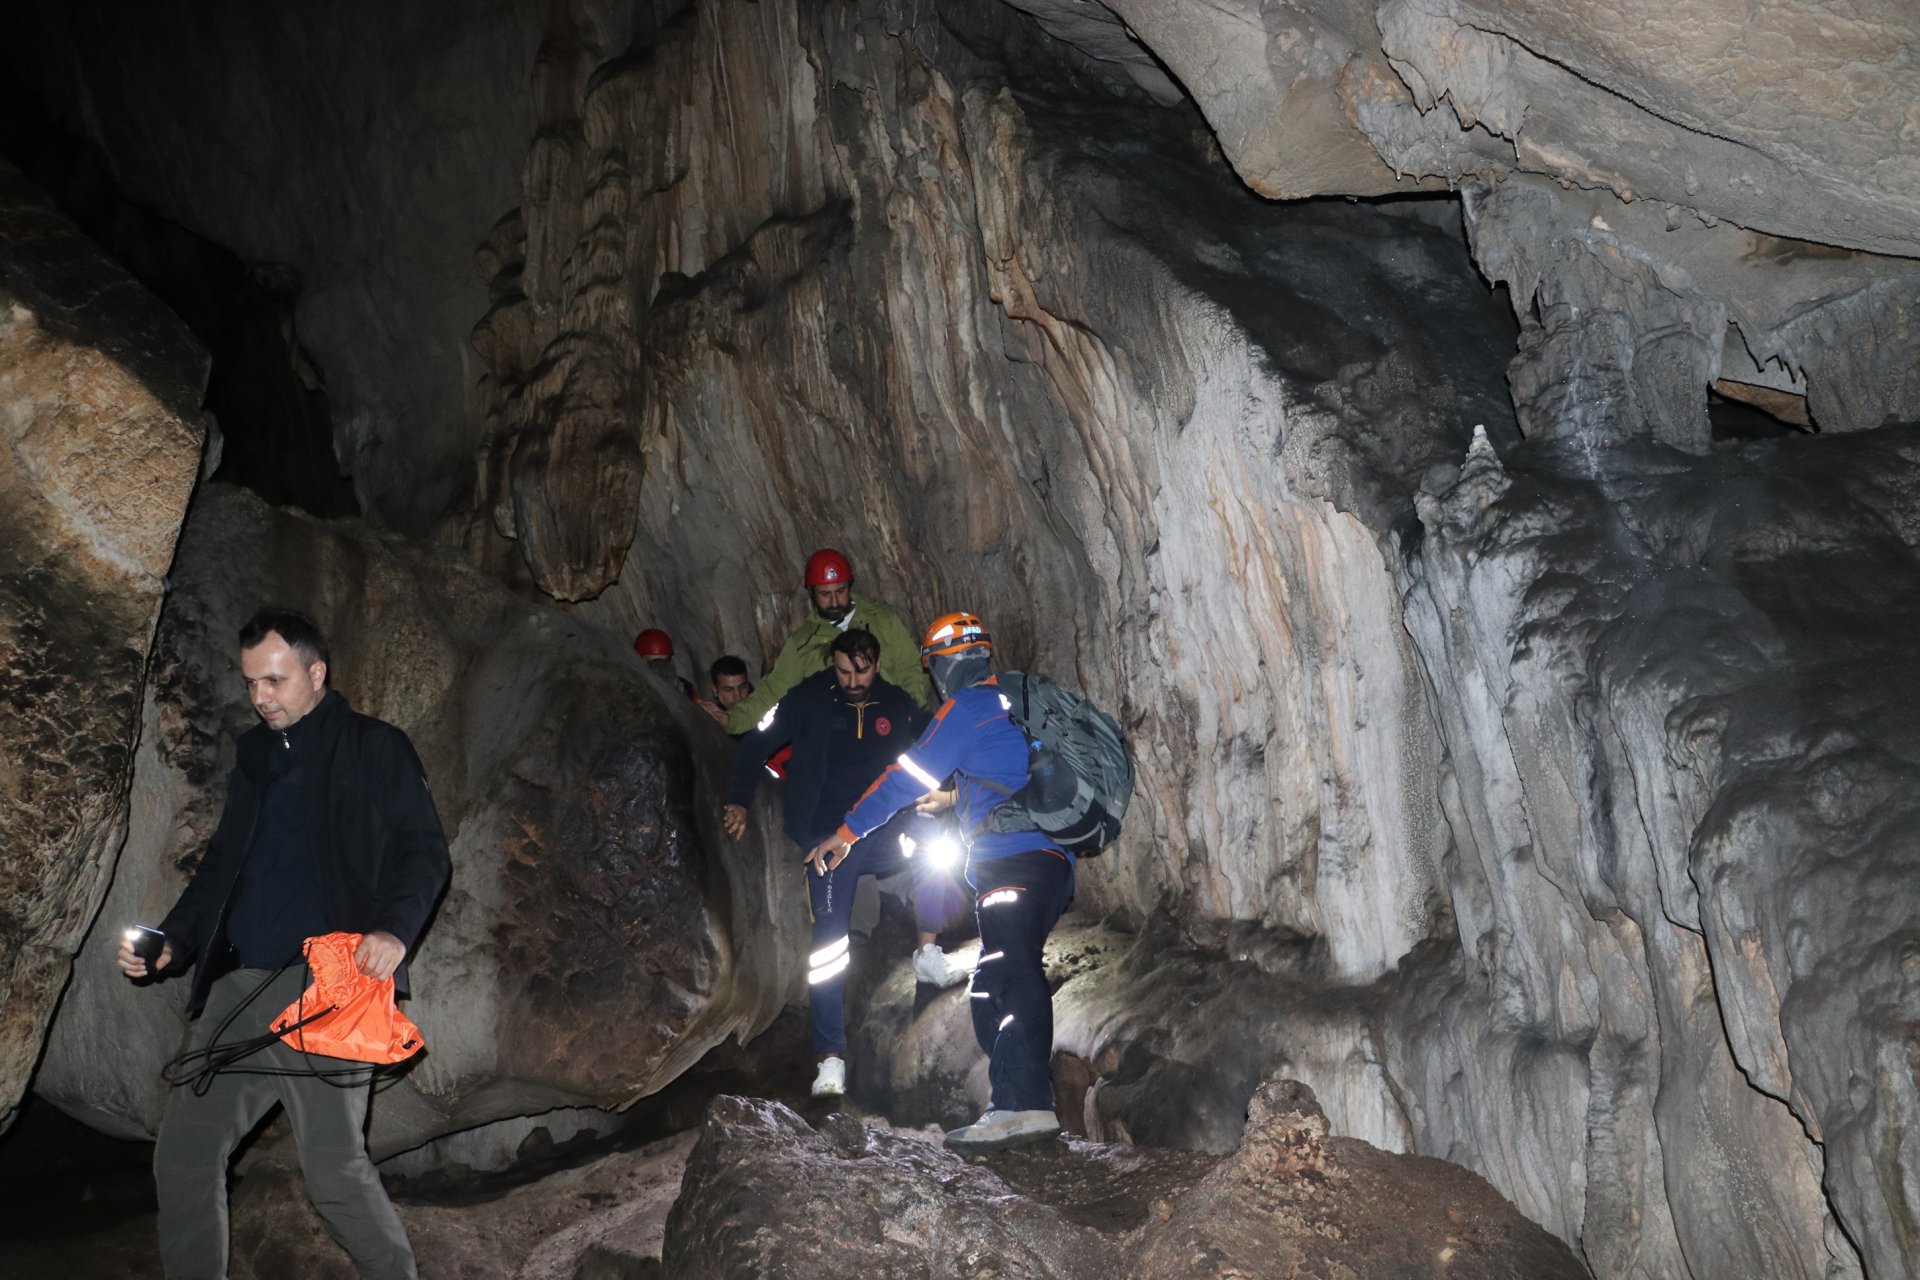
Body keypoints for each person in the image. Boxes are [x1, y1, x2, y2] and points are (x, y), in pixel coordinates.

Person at [116, 607, 450, 1279]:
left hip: (330, 987)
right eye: (250, 684)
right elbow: (221, 868)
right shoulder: (255, 758)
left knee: (332, 1173)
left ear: (315, 673)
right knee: (183, 1151)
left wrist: (393, 930)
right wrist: (171, 942)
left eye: (274, 680)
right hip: (242, 987)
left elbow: (425, 850)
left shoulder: (374, 747)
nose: (260, 697)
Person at [809, 612, 1072, 1152]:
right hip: (1053, 860)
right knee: (988, 983)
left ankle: (1026, 1105)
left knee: (1009, 967)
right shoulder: (1021, 697)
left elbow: (902, 779)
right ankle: (1010, 1100)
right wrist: (955, 799)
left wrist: (846, 833)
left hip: (1014, 860)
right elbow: (1019, 773)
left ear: (944, 666)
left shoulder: (967, 707)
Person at [723, 629, 967, 1099]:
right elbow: (756, 745)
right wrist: (737, 801)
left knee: (938, 843)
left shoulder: (895, 704)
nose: (852, 680)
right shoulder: (808, 698)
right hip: (828, 838)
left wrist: (952, 792)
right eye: (843, 670)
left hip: (882, 829)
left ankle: (927, 954)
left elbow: (937, 743)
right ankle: (830, 1058)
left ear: (877, 664)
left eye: (862, 670)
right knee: (829, 947)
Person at [721, 549, 931, 735]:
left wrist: (903, 708)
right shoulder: (802, 644)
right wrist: (733, 720)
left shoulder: (883, 621)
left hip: (889, 729)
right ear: (811, 593)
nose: (834, 601)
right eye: (825, 594)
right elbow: (771, 692)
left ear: (849, 586)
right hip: (840, 743)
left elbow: (912, 669)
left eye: (840, 591)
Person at [634, 627, 699, 701]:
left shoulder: (686, 688)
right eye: (655, 662)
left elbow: (697, 703)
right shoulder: (634, 689)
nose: (661, 666)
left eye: (665, 661)